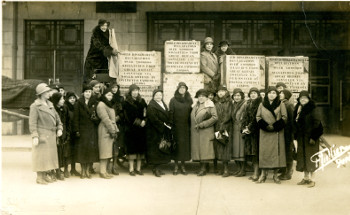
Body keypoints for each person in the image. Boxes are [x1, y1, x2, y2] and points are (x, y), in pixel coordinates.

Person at [29, 83, 63, 185]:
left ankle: (44, 176)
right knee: (41, 156)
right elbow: (32, 123)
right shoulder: (35, 106)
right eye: (47, 92)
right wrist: (35, 135)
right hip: (42, 134)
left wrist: (60, 128)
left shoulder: (50, 105)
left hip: (51, 134)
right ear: (42, 93)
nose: (49, 93)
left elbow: (58, 119)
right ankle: (39, 177)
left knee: (48, 157)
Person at [256, 86, 287, 184]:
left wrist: (275, 126)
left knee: (276, 154)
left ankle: (275, 175)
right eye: (270, 93)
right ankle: (263, 175)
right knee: (265, 153)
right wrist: (265, 126)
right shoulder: (262, 104)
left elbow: (285, 117)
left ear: (277, 95)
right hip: (265, 132)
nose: (271, 95)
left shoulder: (280, 104)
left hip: (276, 132)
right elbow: (258, 117)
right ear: (267, 94)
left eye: (274, 93)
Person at [294, 91, 323, 188]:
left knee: (311, 158)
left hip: (310, 139)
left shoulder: (313, 109)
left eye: (305, 98)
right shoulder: (298, 109)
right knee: (303, 158)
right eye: (301, 98)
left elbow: (318, 124)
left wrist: (313, 137)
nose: (303, 99)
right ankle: (306, 178)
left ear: (308, 99)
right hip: (301, 138)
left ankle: (313, 180)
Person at [73, 85, 100, 179]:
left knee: (90, 152)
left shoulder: (95, 103)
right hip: (82, 130)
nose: (88, 93)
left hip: (92, 130)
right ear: (83, 93)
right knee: (82, 151)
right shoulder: (78, 103)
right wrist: (76, 130)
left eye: (89, 92)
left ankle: (88, 170)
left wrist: (95, 119)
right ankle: (83, 171)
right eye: (86, 92)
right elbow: (75, 118)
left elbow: (98, 118)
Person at [191, 89, 218, 176]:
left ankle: (203, 169)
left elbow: (214, 118)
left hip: (206, 131)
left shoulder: (210, 105)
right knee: (199, 150)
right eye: (199, 96)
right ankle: (203, 168)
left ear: (207, 97)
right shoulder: (196, 105)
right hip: (197, 132)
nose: (201, 98)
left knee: (205, 150)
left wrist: (202, 124)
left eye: (203, 96)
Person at [146, 89, 172, 177]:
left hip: (161, 130)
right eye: (156, 95)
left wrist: (168, 124)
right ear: (153, 96)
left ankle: (158, 168)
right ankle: (155, 169)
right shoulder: (151, 106)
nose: (158, 97)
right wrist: (163, 126)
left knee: (160, 149)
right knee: (155, 150)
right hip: (154, 131)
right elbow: (153, 119)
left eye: (160, 95)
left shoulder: (163, 104)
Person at [123, 84, 147, 176]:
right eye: (133, 91)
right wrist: (139, 122)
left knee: (140, 150)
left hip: (141, 130)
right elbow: (127, 117)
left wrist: (144, 121)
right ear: (130, 92)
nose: (135, 92)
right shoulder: (126, 103)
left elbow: (145, 112)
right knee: (132, 150)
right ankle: (131, 169)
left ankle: (138, 168)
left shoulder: (142, 101)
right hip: (131, 130)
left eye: (137, 90)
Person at [169, 82, 193, 175]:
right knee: (176, 146)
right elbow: (171, 112)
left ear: (186, 89)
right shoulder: (173, 100)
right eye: (180, 88)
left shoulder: (189, 100)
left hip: (186, 127)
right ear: (177, 89)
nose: (182, 89)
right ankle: (175, 166)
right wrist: (171, 126)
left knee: (184, 147)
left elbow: (190, 113)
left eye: (184, 88)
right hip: (176, 127)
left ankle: (183, 166)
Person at [96, 88, 118, 179]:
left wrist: (114, 129)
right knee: (104, 151)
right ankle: (102, 171)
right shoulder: (101, 105)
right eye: (108, 95)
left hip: (110, 128)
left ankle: (105, 171)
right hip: (105, 129)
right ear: (104, 95)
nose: (110, 97)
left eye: (111, 95)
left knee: (108, 151)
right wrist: (112, 130)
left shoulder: (108, 104)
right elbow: (105, 119)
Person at [242, 87, 262, 181]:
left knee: (257, 152)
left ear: (258, 95)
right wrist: (244, 128)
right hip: (249, 131)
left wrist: (249, 128)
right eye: (251, 93)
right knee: (252, 153)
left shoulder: (260, 104)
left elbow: (257, 118)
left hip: (257, 131)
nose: (253, 95)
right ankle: (256, 172)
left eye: (255, 93)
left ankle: (257, 174)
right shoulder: (248, 103)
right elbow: (245, 116)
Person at [213, 85, 232, 177]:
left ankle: (226, 169)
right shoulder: (215, 102)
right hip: (217, 127)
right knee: (219, 147)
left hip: (225, 127)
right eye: (219, 91)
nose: (221, 93)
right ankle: (221, 168)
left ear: (226, 92)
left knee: (225, 147)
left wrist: (223, 124)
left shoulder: (229, 102)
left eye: (222, 91)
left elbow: (228, 114)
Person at [51, 92, 71, 180]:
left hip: (64, 132)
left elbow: (68, 121)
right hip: (55, 133)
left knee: (65, 152)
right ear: (56, 101)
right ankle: (57, 170)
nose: (63, 100)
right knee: (56, 153)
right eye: (62, 99)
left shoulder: (65, 108)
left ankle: (65, 169)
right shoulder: (52, 109)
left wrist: (67, 133)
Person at [231, 88, 247, 177]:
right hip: (234, 129)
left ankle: (242, 170)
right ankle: (238, 169)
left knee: (241, 150)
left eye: (238, 96)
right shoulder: (233, 105)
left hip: (241, 128)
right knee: (236, 150)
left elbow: (245, 116)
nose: (236, 97)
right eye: (235, 96)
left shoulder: (244, 104)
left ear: (241, 96)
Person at [279, 89, 295, 180]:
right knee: (283, 151)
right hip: (282, 131)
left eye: (282, 93)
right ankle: (284, 170)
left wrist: (292, 133)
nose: (280, 94)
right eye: (280, 93)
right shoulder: (282, 103)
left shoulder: (289, 105)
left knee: (288, 152)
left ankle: (288, 172)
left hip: (287, 132)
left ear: (286, 96)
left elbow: (292, 120)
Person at [109, 82, 125, 175]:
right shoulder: (107, 98)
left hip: (118, 125)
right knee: (108, 146)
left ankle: (114, 166)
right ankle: (108, 167)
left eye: (116, 88)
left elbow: (123, 111)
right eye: (113, 88)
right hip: (109, 124)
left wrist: (118, 117)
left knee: (116, 146)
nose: (114, 89)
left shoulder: (121, 98)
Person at [64, 91, 81, 176]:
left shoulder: (76, 106)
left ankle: (73, 169)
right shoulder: (65, 107)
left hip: (74, 132)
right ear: (67, 99)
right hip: (68, 132)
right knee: (67, 152)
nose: (72, 100)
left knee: (74, 151)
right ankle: (66, 169)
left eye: (73, 98)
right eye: (70, 98)